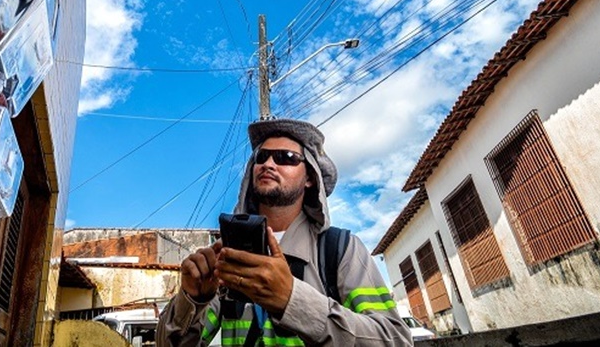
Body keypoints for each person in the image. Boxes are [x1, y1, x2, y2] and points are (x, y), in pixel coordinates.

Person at [157, 118, 412, 346]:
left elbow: (395, 340)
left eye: (286, 158)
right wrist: (191, 299)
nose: (268, 163)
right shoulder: (227, 255)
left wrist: (293, 300)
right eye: (261, 157)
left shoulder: (341, 249)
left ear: (310, 177)